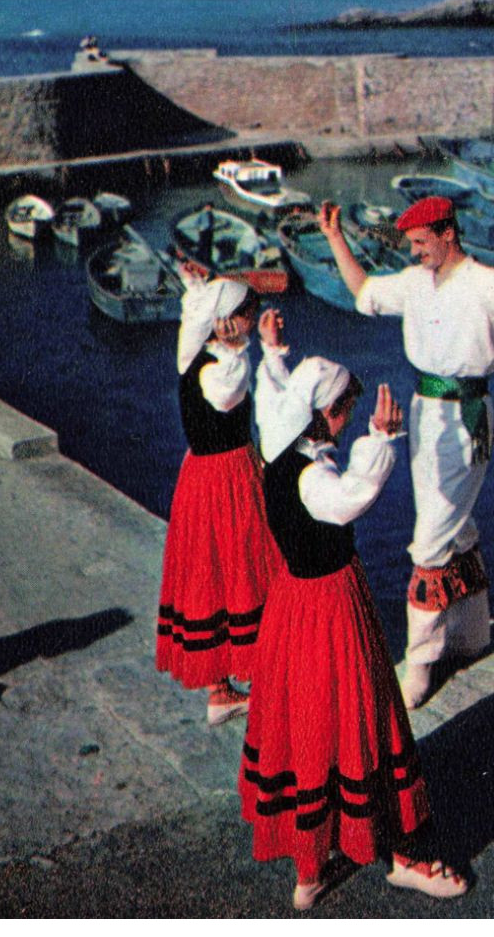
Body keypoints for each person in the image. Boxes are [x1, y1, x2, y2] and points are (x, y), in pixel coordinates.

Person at [243, 320, 467, 910]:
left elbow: (271, 393)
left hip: (292, 602)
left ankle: (310, 867)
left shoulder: (276, 451)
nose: (346, 421)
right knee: (366, 713)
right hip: (331, 605)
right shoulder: (315, 475)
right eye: (343, 412)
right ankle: (403, 854)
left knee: (309, 726)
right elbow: (349, 502)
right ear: (322, 415)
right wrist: (381, 442)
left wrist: (272, 351)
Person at [318, 191, 494, 709]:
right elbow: (365, 293)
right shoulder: (416, 282)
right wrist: (334, 237)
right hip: (424, 411)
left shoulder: (484, 281)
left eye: (421, 243)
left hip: (466, 418)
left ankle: (421, 661)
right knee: (451, 522)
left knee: (430, 538)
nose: (414, 252)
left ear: (447, 234)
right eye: (411, 244)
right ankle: (471, 633)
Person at [154, 260, 282, 723]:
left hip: (198, 475)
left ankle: (220, 687)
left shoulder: (191, 351)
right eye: (251, 311)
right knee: (245, 565)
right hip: (228, 476)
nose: (256, 316)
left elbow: (193, 314)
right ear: (231, 319)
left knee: (211, 573)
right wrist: (237, 348)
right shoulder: (221, 365)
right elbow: (228, 396)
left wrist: (198, 285)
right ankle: (256, 674)